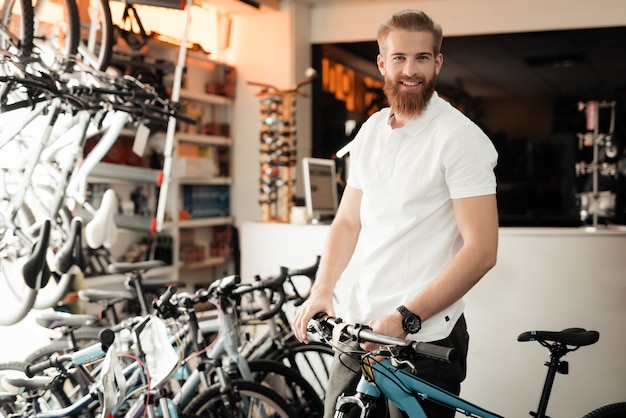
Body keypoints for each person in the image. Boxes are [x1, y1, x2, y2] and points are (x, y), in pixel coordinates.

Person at [292, 9, 499, 418]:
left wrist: (405, 318)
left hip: (423, 339)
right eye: (399, 58)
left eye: (422, 58)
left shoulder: (459, 138)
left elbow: (482, 250)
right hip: (358, 329)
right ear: (383, 64)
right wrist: (321, 291)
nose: (411, 69)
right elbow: (348, 221)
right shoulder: (371, 131)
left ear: (437, 63)